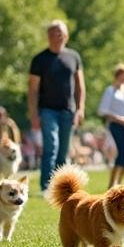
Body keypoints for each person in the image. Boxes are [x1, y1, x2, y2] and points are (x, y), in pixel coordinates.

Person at [28, 20, 85, 192]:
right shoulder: (39, 59)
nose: (56, 36)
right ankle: (46, 186)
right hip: (47, 110)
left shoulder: (74, 57)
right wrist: (33, 115)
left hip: (68, 110)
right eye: (52, 32)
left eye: (59, 32)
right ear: (48, 36)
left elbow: (81, 86)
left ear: (66, 36)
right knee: (50, 147)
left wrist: (80, 109)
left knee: (63, 151)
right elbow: (32, 90)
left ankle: (62, 187)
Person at [98, 63, 124, 187]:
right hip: (116, 125)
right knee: (120, 153)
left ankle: (120, 181)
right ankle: (112, 183)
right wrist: (120, 119)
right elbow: (103, 110)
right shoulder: (110, 91)